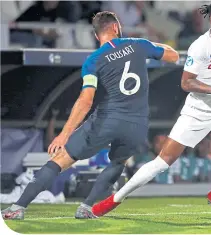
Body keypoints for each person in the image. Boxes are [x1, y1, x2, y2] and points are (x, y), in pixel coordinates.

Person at [91, 2, 211, 218]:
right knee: (162, 163)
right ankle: (114, 200)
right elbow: (186, 83)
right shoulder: (200, 46)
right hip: (197, 111)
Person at [2, 11, 179, 220]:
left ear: (97, 36)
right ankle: (86, 207)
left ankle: (18, 207)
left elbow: (85, 101)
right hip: (137, 124)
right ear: (116, 28)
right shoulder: (138, 44)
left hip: (107, 119)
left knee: (60, 160)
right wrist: (152, 44)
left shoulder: (94, 59)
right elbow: (173, 56)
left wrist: (64, 134)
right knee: (118, 163)